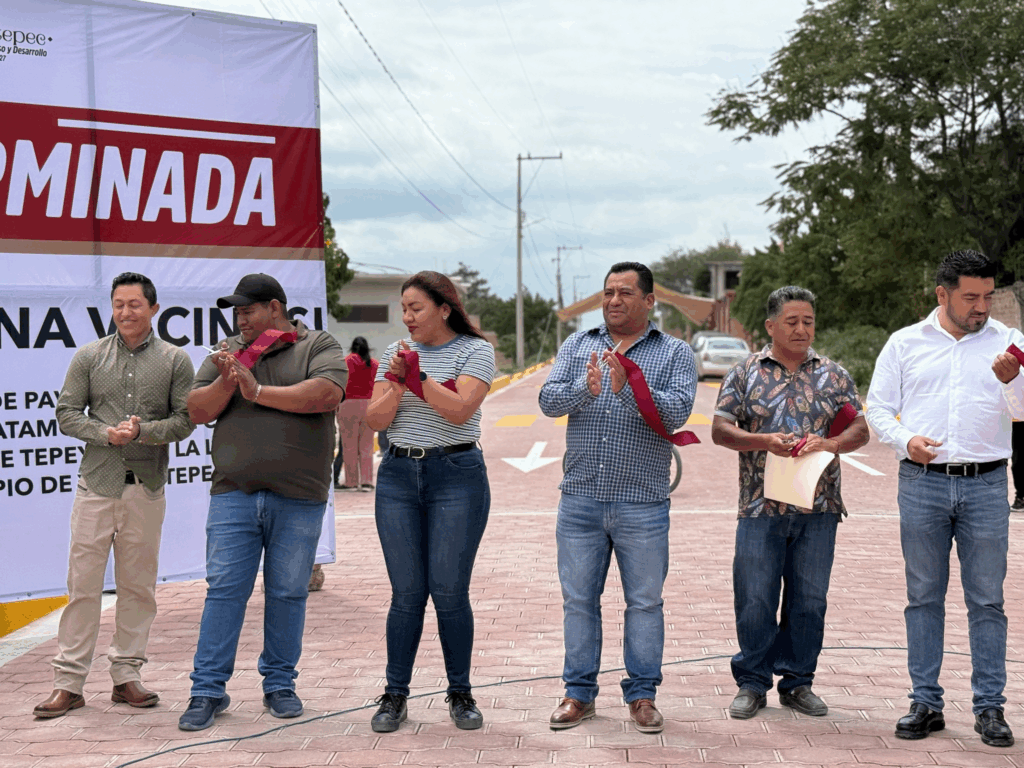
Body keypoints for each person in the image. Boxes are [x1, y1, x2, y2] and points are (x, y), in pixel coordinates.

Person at [867, 250, 1024, 747]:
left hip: (986, 484)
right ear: (943, 294)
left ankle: (990, 707)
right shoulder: (904, 343)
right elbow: (878, 408)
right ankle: (925, 703)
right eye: (971, 297)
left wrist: (1013, 381)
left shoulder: (1011, 344)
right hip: (922, 483)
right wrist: (905, 439)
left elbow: (1023, 411)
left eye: (988, 296)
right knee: (923, 597)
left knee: (988, 600)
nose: (982, 307)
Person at [178, 273, 346, 731]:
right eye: (236, 313)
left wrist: (257, 392)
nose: (240, 320)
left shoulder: (317, 345)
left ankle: (279, 685)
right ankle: (207, 690)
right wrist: (231, 378)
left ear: (275, 307)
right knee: (224, 591)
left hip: (300, 496)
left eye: (248, 310)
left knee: (288, 592)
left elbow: (326, 394)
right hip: (233, 493)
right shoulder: (227, 352)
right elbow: (197, 410)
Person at [538, 261, 697, 733]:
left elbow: (675, 413)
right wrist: (584, 390)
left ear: (649, 301)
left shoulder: (674, 352)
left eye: (626, 292)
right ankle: (578, 694)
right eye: (608, 292)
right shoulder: (578, 345)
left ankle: (643, 696)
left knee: (645, 603)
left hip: (642, 502)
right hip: (580, 500)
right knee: (578, 601)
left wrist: (629, 390)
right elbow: (548, 400)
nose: (613, 300)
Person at [34, 272, 195, 718]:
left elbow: (185, 421)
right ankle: (69, 684)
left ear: (154, 309)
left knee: (138, 588)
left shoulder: (175, 359)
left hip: (146, 489)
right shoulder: (89, 356)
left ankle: (126, 677)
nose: (126, 312)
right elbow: (66, 413)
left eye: (135, 304)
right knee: (82, 587)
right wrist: (105, 433)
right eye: (119, 304)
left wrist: (144, 431)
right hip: (96, 486)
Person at [710, 286, 869, 720]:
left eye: (808, 321)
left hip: (820, 508)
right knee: (755, 598)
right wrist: (763, 441)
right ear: (770, 326)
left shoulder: (834, 375)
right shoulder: (744, 373)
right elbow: (720, 430)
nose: (801, 329)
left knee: (809, 601)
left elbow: (860, 429)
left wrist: (830, 443)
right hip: (760, 508)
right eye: (792, 321)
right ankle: (752, 683)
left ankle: (798, 682)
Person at [364, 271, 494, 734]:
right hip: (398, 476)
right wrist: (398, 384)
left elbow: (460, 409)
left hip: (456, 476)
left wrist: (416, 378)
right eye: (403, 308)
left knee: (449, 592)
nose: (408, 316)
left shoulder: (474, 350)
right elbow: (375, 419)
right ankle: (394, 695)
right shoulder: (395, 353)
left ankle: (461, 692)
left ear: (444, 308)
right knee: (406, 595)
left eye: (416, 307)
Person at [336, 336, 379, 491]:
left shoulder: (346, 361)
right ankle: (367, 482)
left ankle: (351, 482)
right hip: (369, 405)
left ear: (352, 347)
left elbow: (339, 383)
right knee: (367, 446)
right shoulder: (375, 364)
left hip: (348, 404)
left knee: (349, 446)